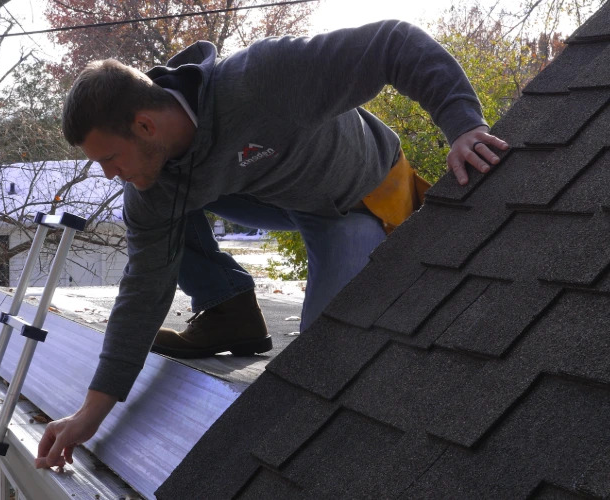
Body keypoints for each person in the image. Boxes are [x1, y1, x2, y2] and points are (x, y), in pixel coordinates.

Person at [35, 19, 509, 469]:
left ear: (144, 125)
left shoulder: (262, 78)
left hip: (354, 201)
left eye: (109, 157)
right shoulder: (151, 186)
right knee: (156, 199)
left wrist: (464, 125)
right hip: (269, 191)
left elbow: (392, 43)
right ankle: (228, 309)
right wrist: (90, 413)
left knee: (317, 371)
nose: (108, 174)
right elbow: (143, 291)